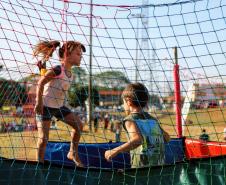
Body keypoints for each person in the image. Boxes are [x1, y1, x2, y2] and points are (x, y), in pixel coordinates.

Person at [34, 40, 86, 167]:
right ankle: (39, 163)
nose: (81, 57)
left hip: (58, 107)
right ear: (68, 54)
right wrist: (39, 102)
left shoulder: (71, 74)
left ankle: (72, 152)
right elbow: (41, 83)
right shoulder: (58, 69)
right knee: (43, 139)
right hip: (45, 107)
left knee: (79, 125)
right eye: (78, 54)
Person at [104, 83, 170, 168]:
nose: (123, 105)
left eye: (123, 102)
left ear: (128, 101)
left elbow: (137, 140)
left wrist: (114, 151)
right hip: (159, 167)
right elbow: (167, 138)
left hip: (141, 169)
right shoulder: (153, 120)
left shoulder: (130, 120)